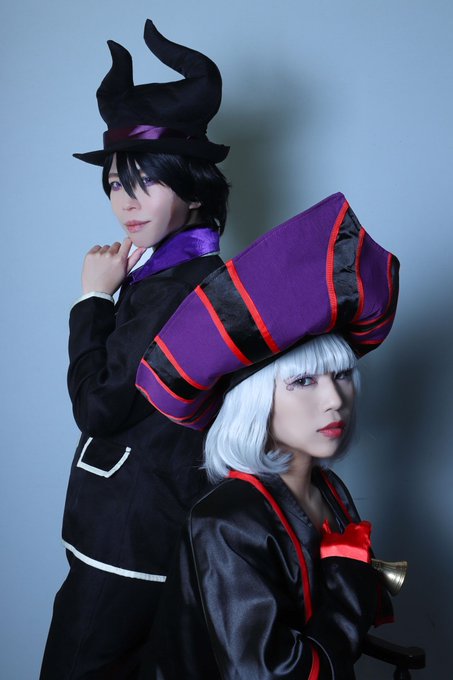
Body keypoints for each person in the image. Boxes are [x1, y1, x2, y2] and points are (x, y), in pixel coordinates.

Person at [135, 193, 399, 679]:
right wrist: (349, 583)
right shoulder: (225, 523)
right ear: (255, 402)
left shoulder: (329, 489)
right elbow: (272, 672)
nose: (334, 400)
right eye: (304, 381)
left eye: (342, 375)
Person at [40, 20, 229, 680]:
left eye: (146, 180)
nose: (126, 201)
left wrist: (92, 300)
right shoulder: (177, 274)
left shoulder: (177, 287)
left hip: (129, 535)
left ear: (194, 187)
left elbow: (98, 406)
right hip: (147, 528)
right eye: (117, 183)